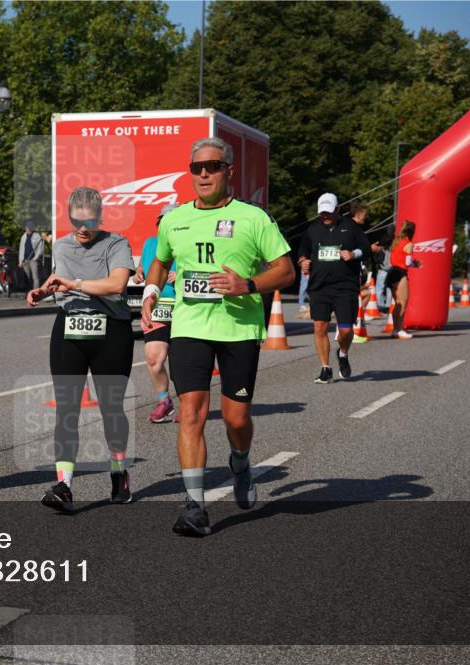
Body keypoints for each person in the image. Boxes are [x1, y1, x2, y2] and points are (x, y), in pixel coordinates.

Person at [141, 137, 294, 537]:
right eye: (197, 168)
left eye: (212, 166)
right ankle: (194, 505)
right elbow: (160, 263)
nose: (204, 174)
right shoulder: (174, 219)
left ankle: (240, 462)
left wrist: (247, 284)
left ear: (229, 171)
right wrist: (151, 292)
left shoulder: (253, 218)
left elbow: (286, 270)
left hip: (238, 329)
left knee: (236, 418)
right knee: (190, 411)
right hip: (190, 326)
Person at [27, 186, 136, 513]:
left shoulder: (116, 243)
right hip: (70, 328)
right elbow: (59, 278)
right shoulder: (61, 245)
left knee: (111, 409)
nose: (83, 228)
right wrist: (43, 292)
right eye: (77, 220)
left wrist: (73, 285)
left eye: (89, 221)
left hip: (111, 330)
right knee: (67, 408)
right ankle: (65, 485)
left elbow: (116, 284)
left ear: (100, 217)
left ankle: (118, 470)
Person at [298, 193, 371, 382]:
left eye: (329, 212)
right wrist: (303, 261)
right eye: (322, 213)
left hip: (345, 286)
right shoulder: (313, 229)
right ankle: (325, 368)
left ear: (338, 209)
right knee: (320, 327)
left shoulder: (350, 227)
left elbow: (366, 248)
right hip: (319, 286)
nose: (326, 216)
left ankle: (343, 353)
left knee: (346, 330)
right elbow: (303, 250)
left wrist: (353, 254)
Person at [132, 203, 180, 423]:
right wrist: (140, 272)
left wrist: (182, 275)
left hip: (185, 306)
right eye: (163, 221)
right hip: (157, 305)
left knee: (184, 362)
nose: (167, 225)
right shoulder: (150, 243)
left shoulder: (187, 243)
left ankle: (188, 405)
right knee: (154, 358)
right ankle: (164, 401)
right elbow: (145, 264)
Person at [383, 220, 420, 340]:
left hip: (391, 273)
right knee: (403, 302)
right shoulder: (409, 244)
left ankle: (395, 329)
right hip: (400, 273)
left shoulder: (397, 242)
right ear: (412, 232)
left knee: (397, 303)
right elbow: (408, 263)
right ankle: (399, 329)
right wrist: (416, 264)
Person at [345, 201, 375, 343]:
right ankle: (351, 332)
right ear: (358, 214)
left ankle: (346, 331)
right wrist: (368, 249)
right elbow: (365, 249)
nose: (365, 217)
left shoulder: (344, 226)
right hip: (350, 272)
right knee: (351, 301)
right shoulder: (354, 229)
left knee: (350, 300)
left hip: (347, 271)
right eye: (364, 214)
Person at [19, 222, 44, 290]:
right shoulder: (23, 237)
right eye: (27, 228)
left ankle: (35, 292)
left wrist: (36, 257)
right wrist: (20, 261)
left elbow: (40, 248)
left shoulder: (37, 236)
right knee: (27, 277)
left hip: (34, 260)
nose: (28, 230)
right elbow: (21, 249)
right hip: (25, 260)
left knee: (35, 277)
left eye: (29, 228)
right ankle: (28, 292)